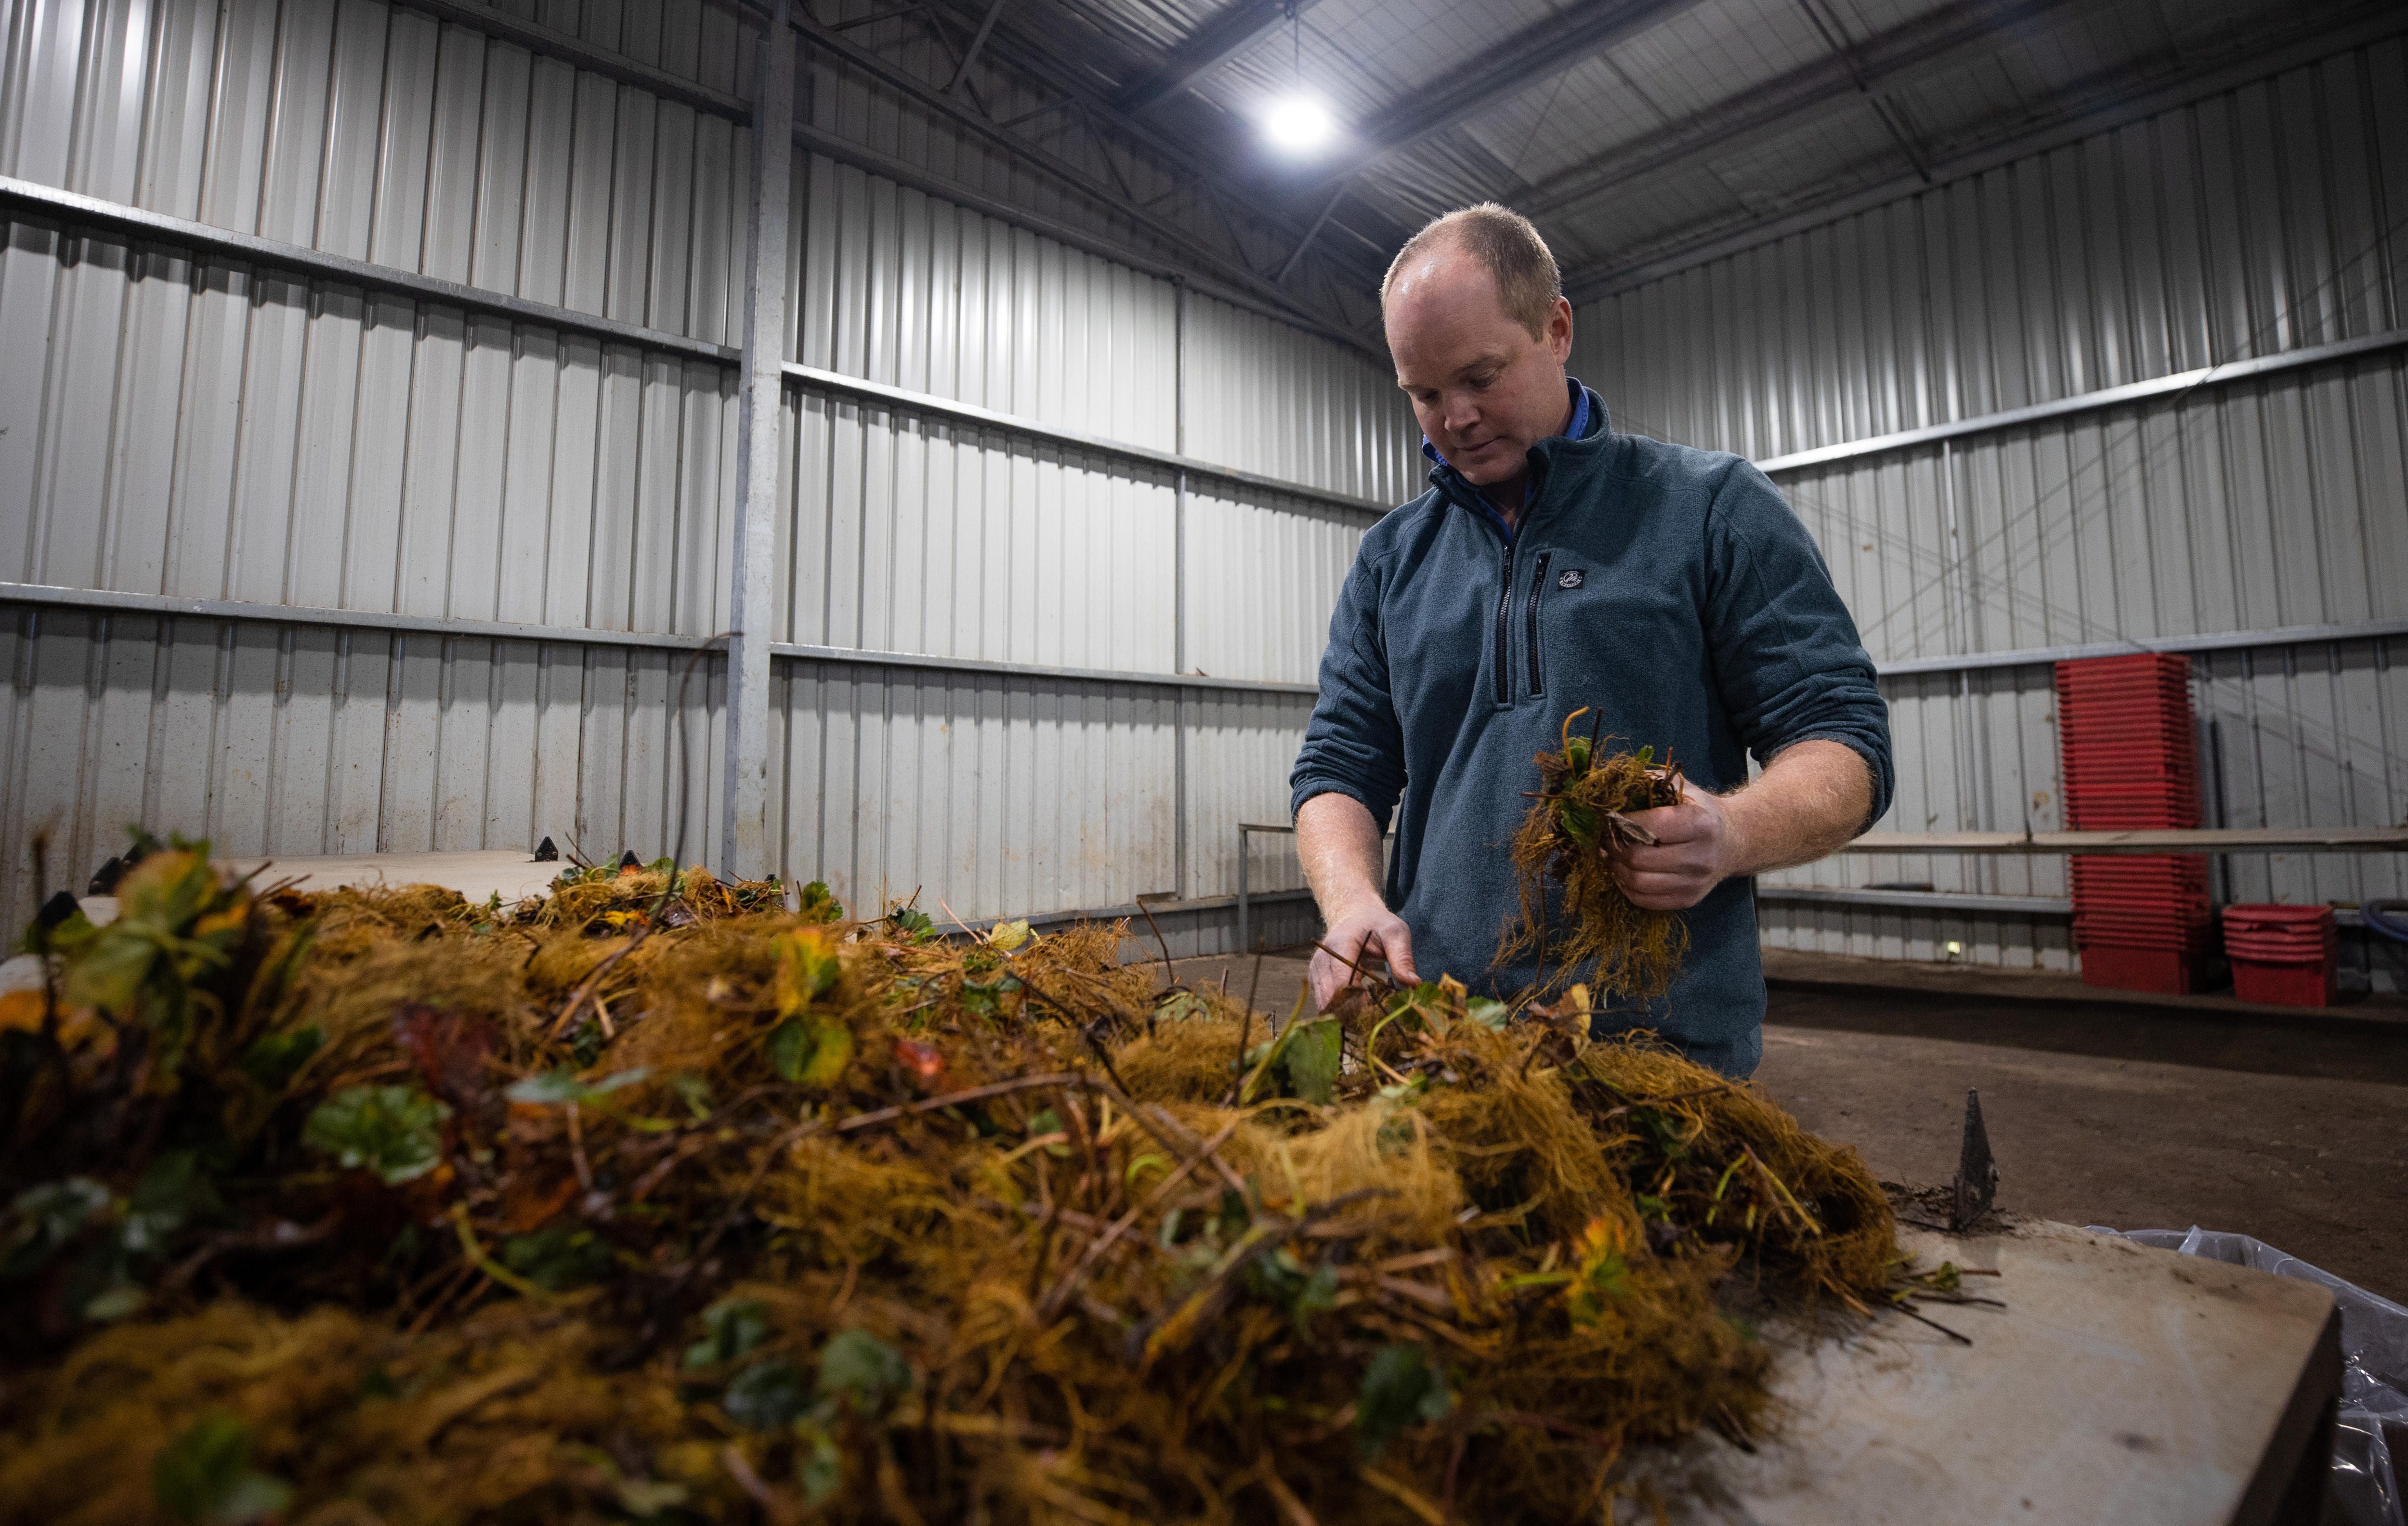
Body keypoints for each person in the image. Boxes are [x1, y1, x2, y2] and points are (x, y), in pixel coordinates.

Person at [1287, 204, 1891, 1078]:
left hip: (1661, 1054)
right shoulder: (1391, 559)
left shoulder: (1709, 508)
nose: (1454, 418)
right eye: (1423, 393)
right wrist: (1351, 901)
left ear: (1557, 329)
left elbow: (1847, 741)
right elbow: (1341, 763)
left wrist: (1730, 829)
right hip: (1444, 1040)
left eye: (1481, 376)